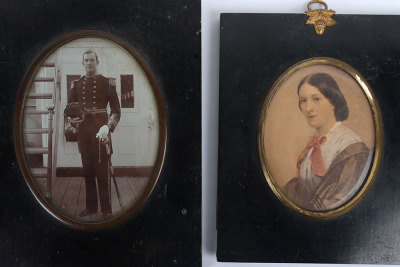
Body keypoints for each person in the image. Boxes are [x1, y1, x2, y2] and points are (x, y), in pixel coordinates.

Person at [283, 73, 370, 212]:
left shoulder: (350, 147)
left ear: (333, 102)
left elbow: (336, 199)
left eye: (316, 99)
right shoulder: (312, 146)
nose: (308, 108)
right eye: (303, 100)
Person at [66, 49, 121, 218]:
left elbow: (117, 111)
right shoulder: (76, 84)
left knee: (102, 171)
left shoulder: (107, 83)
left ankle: (106, 209)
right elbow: (69, 111)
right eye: (86, 60)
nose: (89, 63)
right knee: (88, 171)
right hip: (84, 132)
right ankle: (91, 207)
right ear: (83, 63)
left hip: (101, 131)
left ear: (97, 62)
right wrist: (72, 121)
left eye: (92, 60)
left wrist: (108, 126)